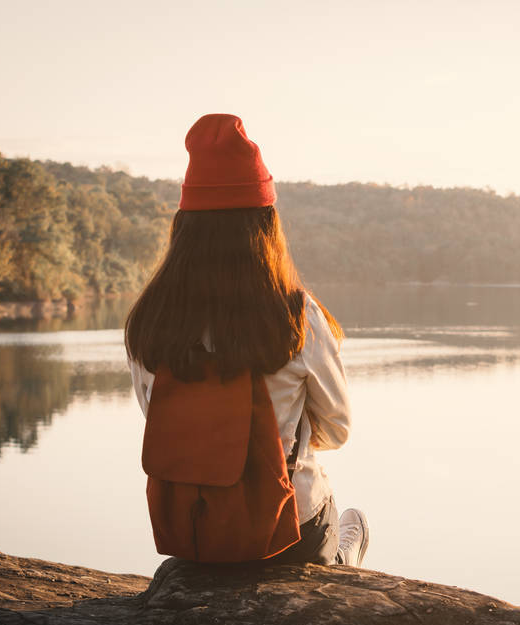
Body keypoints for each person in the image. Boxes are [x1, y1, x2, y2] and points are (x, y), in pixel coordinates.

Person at [123, 113, 368, 567]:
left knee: (341, 517)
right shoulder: (296, 316)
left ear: (183, 230)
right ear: (265, 226)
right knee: (348, 519)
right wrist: (278, 438)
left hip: (194, 533)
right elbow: (337, 428)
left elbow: (156, 416)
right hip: (286, 536)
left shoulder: (149, 321)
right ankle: (345, 558)